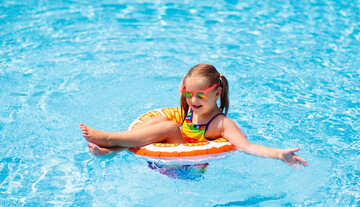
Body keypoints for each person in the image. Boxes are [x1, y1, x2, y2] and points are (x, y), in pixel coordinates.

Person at [80, 64, 308, 168]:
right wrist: (188, 87)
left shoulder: (221, 123)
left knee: (169, 128)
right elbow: (187, 92)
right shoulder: (189, 110)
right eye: (188, 94)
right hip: (169, 158)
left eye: (200, 95)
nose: (192, 100)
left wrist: (279, 154)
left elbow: (247, 147)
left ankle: (110, 138)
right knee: (158, 122)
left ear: (217, 93)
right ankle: (111, 151)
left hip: (189, 170)